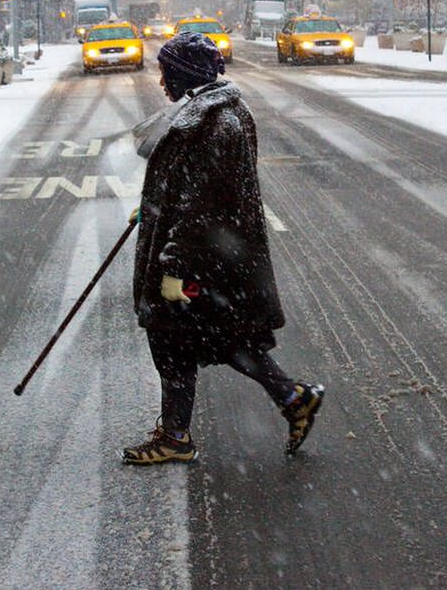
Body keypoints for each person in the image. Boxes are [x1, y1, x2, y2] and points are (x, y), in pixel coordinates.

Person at [123, 31, 323, 465]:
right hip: (217, 256)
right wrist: (154, 208)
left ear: (184, 72)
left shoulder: (216, 121)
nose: (161, 82)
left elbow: (203, 205)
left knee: (176, 340)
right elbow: (190, 188)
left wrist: (174, 266)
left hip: (204, 257)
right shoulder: (210, 113)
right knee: (225, 338)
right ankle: (292, 398)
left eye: (165, 72)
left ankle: (176, 437)